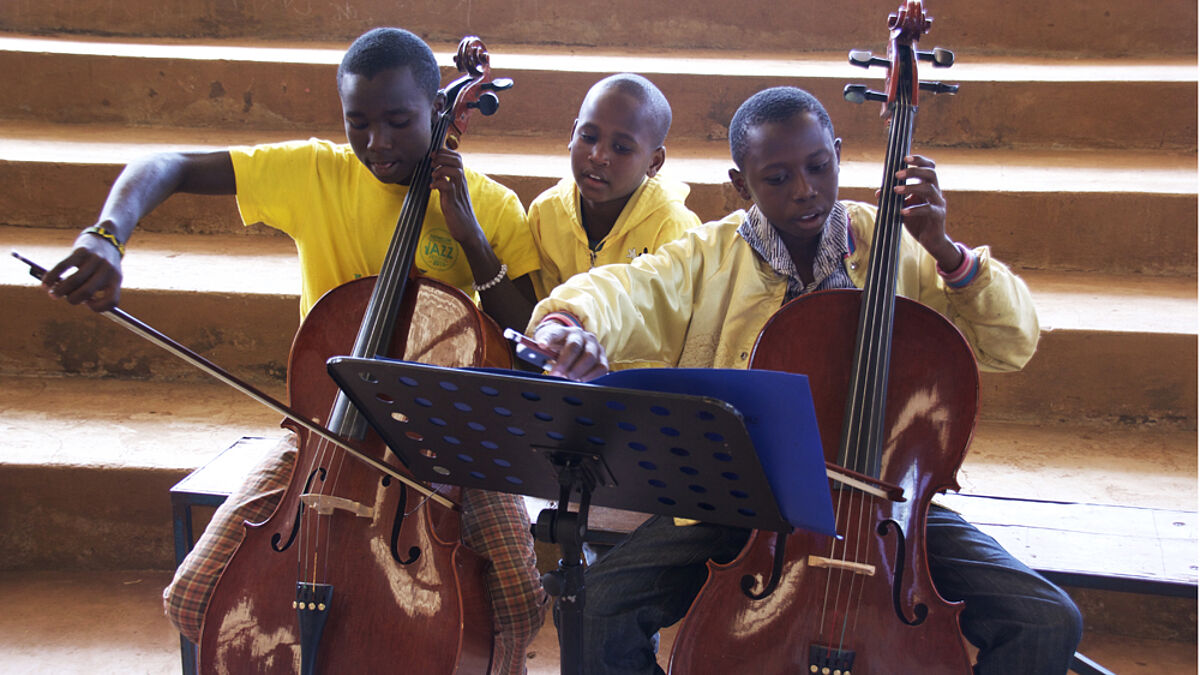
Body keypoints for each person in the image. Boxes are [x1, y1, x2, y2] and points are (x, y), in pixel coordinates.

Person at [39, 27, 546, 675]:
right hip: (321, 430)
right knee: (195, 597)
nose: (377, 142)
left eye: (398, 121)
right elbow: (163, 165)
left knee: (515, 602)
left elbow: (527, 331)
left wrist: (470, 233)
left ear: (434, 112)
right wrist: (107, 235)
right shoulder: (315, 173)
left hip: (447, 438)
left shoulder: (493, 204)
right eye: (357, 123)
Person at [525, 86, 1083, 674]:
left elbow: (1010, 343)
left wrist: (948, 253)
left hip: (888, 500)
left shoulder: (895, 242)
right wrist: (569, 323)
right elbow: (626, 289)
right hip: (746, 496)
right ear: (743, 185)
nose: (805, 190)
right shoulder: (711, 255)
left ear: (838, 153)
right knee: (597, 605)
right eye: (777, 178)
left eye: (819, 167)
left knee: (1045, 619)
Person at [528, 73, 700, 301]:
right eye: (588, 137)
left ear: (654, 162)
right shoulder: (545, 213)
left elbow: (672, 322)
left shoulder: (673, 228)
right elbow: (542, 306)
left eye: (621, 147)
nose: (598, 156)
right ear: (572, 135)